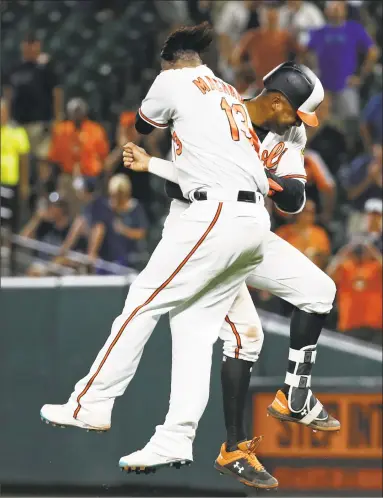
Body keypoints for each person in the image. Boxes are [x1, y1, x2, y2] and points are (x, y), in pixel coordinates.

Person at [40, 23, 274, 487]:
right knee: (193, 325)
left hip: (215, 213)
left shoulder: (172, 79)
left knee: (142, 302)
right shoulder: (226, 89)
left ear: (171, 59)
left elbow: (141, 125)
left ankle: (91, 403)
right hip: (251, 220)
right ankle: (176, 436)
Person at [121, 62, 339, 488]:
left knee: (319, 291)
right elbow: (177, 186)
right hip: (202, 233)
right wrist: (163, 169)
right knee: (240, 337)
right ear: (278, 101)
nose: (301, 123)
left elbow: (293, 199)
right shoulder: (215, 111)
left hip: (246, 231)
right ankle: (228, 447)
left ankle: (293, 396)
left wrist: (262, 179)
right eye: (297, 112)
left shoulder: (287, 133)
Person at [303, 0, 379, 134]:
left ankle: (349, 151)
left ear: (345, 11)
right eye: (333, 7)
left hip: (346, 86)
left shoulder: (354, 29)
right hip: (323, 88)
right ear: (327, 11)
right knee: (319, 125)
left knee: (350, 125)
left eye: (339, 7)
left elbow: (373, 52)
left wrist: (360, 76)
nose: (336, 10)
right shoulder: (319, 32)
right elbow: (305, 55)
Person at [48, 97, 110, 217]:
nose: (76, 114)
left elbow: (103, 157)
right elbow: (54, 158)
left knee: (90, 214)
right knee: (69, 212)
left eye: (79, 111)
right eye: (73, 111)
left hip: (90, 179)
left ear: (84, 112)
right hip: (68, 178)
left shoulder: (96, 130)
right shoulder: (61, 130)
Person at [232, 3, 301, 89]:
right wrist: (246, 76)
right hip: (257, 85)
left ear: (278, 16)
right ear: (262, 16)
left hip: (279, 85)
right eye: (267, 13)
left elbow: (301, 54)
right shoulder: (252, 36)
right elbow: (235, 59)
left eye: (273, 14)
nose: (270, 17)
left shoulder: (286, 37)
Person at [20, 197, 75, 276]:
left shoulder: (71, 230)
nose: (49, 208)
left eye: (53, 205)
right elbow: (23, 239)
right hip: (40, 268)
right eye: (49, 205)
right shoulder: (45, 225)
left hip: (59, 271)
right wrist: (37, 218)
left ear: (63, 209)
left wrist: (49, 268)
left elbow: (69, 256)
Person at [0, 98, 30, 232]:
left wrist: (24, 184)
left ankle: (12, 250)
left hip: (11, 182)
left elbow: (24, 159)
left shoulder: (17, 131)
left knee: (12, 219)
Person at [276, 199, 331, 270]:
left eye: (311, 212)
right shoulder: (283, 232)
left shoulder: (320, 234)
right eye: (305, 212)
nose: (307, 216)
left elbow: (325, 259)